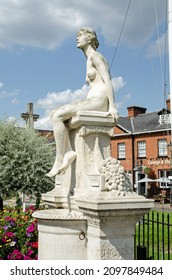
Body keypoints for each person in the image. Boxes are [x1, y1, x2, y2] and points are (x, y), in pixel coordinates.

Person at [46, 27, 119, 177]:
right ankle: (68, 151)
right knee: (53, 113)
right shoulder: (89, 59)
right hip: (92, 99)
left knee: (57, 116)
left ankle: (62, 158)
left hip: (99, 100)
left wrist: (112, 106)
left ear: (90, 38)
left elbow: (107, 80)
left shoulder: (95, 56)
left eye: (81, 35)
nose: (77, 38)